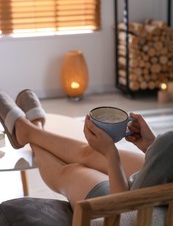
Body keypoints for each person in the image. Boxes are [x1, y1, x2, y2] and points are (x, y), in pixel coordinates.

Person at [0, 89, 172, 210]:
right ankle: (31, 130)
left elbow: (124, 213)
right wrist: (152, 146)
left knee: (69, 170)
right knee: (88, 152)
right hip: (162, 175)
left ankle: (28, 130)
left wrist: (111, 154)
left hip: (137, 212)